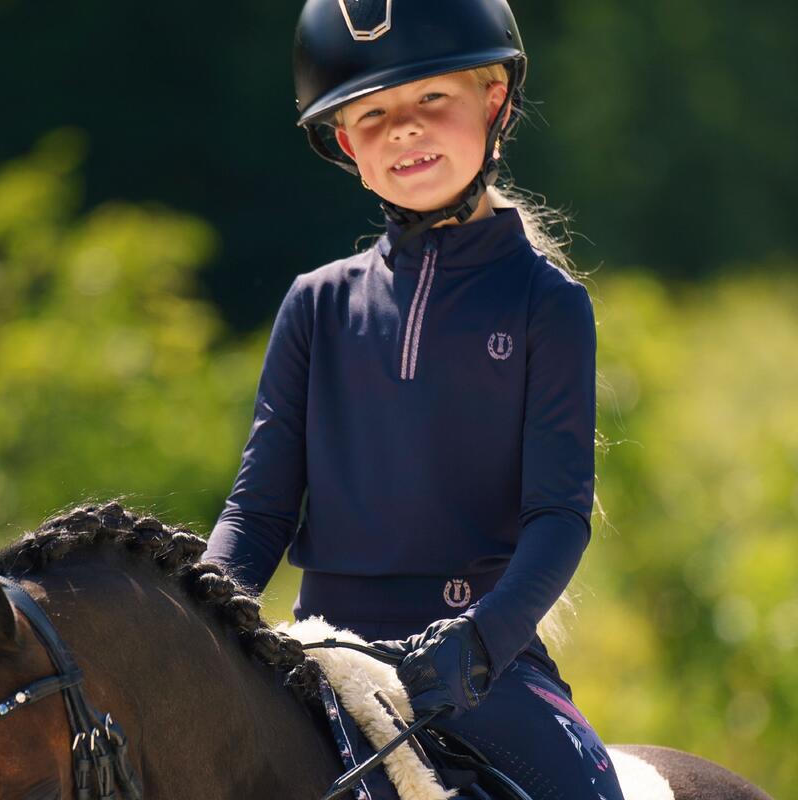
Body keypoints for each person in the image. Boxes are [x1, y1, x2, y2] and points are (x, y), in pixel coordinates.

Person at [204, 1, 625, 797]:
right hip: (322, 653)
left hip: (478, 666)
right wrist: (192, 616)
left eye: (431, 98)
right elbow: (258, 514)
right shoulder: (314, 304)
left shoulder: (549, 305)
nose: (404, 128)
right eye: (373, 114)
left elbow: (557, 516)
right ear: (343, 143)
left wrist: (481, 642)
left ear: (493, 99)